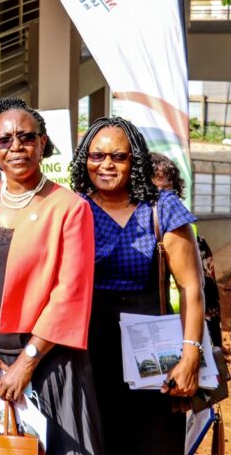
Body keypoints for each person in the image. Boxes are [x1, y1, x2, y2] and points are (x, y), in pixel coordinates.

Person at [0, 97, 102, 455]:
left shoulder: (70, 208)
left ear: (42, 143)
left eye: (26, 137)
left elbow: (71, 293)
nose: (16, 147)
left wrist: (26, 364)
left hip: (46, 364)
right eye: (4, 140)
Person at [72, 117, 203, 454]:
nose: (106, 165)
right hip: (87, 351)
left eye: (118, 156)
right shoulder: (73, 208)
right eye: (97, 156)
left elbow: (191, 287)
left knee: (153, 442)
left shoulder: (161, 208)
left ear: (136, 160)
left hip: (153, 352)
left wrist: (190, 356)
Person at [150, 152, 223, 348]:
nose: (161, 198)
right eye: (154, 190)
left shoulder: (194, 238)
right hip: (151, 324)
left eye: (166, 190)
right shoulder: (135, 237)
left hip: (184, 326)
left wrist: (210, 344)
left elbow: (208, 298)